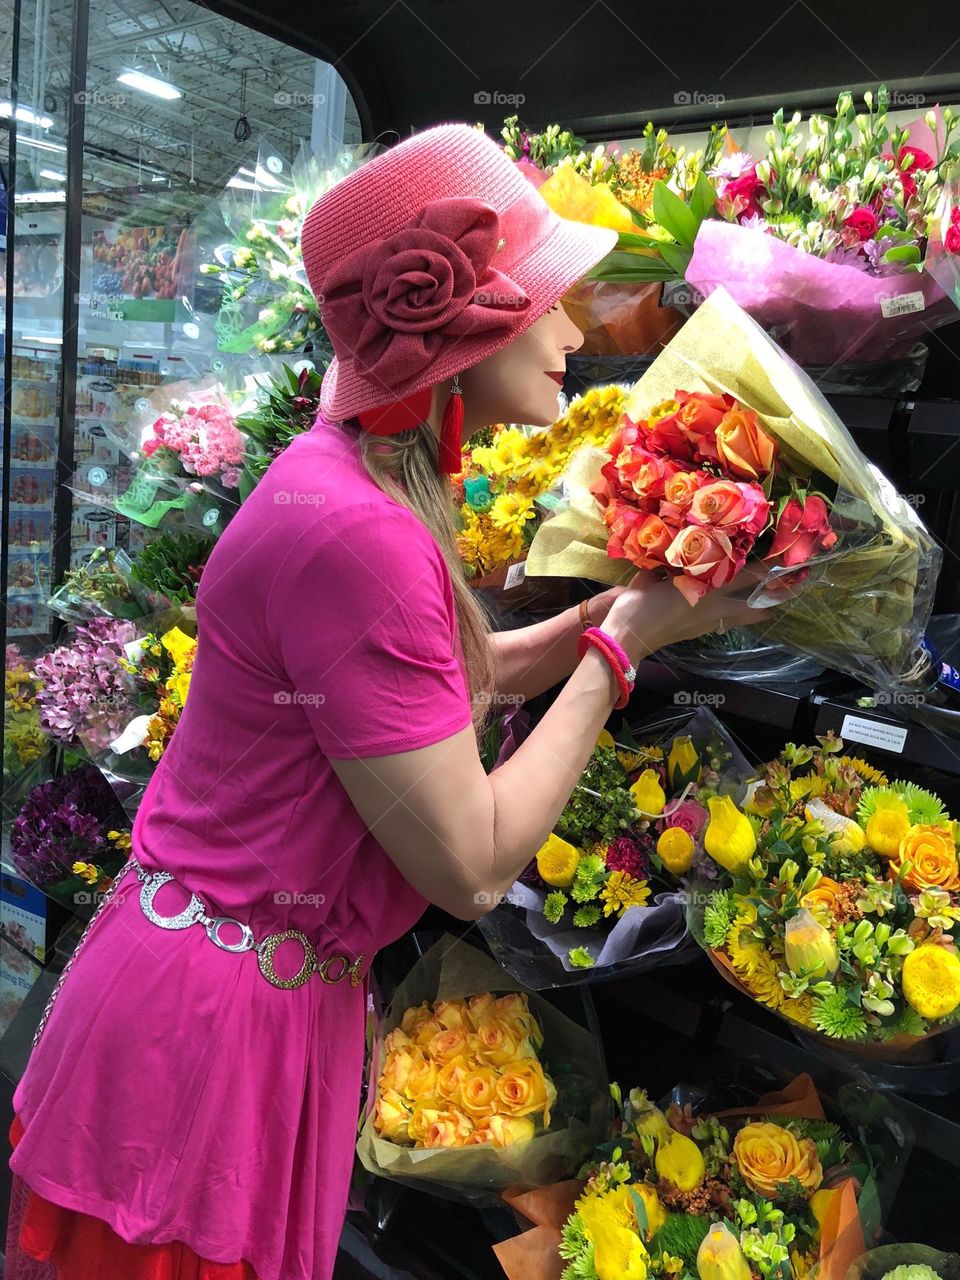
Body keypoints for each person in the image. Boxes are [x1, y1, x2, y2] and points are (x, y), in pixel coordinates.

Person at [6, 123, 764, 1280]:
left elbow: (407, 700)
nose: (573, 332)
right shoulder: (361, 532)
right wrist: (623, 654)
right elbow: (472, 865)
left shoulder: (344, 476)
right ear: (453, 332)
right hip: (218, 1032)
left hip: (230, 993)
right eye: (549, 298)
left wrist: (591, 625)